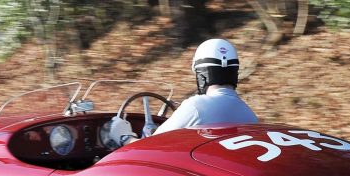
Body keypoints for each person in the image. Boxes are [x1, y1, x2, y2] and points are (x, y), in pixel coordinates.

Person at [109, 38, 258, 146]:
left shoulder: (196, 107)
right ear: (234, 73)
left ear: (201, 75)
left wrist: (123, 137)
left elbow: (149, 147)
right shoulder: (249, 115)